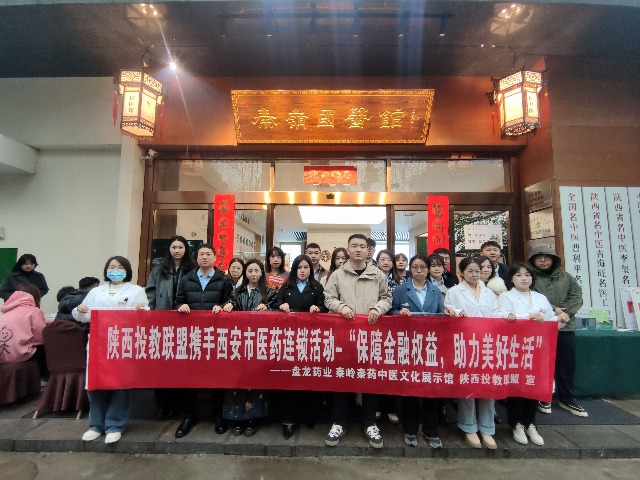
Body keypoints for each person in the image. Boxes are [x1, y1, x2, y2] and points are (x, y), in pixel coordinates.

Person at [323, 233, 392, 449]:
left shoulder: (377, 274)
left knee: (369, 379)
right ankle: (339, 422)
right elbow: (328, 298)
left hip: (370, 337)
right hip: (343, 336)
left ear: (368, 250)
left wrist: (378, 309)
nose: (359, 249)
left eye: (362, 246)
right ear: (348, 249)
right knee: (342, 378)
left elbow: (387, 298)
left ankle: (369, 423)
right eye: (354, 246)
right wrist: (341, 306)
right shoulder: (337, 275)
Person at [72, 256, 148, 444]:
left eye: (120, 267)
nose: (116, 270)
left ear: (127, 270)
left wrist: (141, 309)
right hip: (99, 342)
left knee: (120, 384)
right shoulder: (96, 291)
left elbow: (145, 315)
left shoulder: (136, 290)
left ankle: (115, 425)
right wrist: (81, 311)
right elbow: (81, 315)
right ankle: (96, 425)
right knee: (95, 383)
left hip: (123, 342)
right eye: (112, 267)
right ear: (106, 270)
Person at [391, 255, 456, 449]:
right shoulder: (401, 290)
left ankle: (430, 429)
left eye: (422, 267)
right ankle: (410, 429)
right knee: (410, 389)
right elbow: (391, 312)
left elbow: (440, 312)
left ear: (428, 270)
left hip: (430, 346)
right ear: (410, 269)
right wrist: (399, 313)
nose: (419, 271)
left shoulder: (435, 291)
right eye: (415, 267)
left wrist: (447, 313)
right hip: (408, 345)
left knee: (430, 389)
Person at [174, 243, 234, 438]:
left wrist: (224, 306)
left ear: (215, 257)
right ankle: (188, 416)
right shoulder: (187, 278)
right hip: (192, 335)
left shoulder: (223, 279)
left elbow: (231, 300)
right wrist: (181, 306)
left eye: (208, 254)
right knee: (189, 377)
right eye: (201, 254)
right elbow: (178, 300)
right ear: (196, 257)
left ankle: (218, 416)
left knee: (217, 376)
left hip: (216, 335)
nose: (205, 257)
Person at [445, 257, 502, 450]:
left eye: (477, 271)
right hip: (465, 344)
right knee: (468, 385)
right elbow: (448, 310)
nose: (474, 274)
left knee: (487, 385)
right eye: (470, 271)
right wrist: (456, 312)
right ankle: (468, 426)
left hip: (487, 344)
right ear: (461, 273)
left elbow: (496, 315)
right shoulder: (454, 291)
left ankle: (487, 428)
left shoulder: (489, 293)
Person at [498, 262, 557, 446]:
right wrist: (528, 316)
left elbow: (550, 320)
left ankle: (530, 423)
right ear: (511, 278)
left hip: (538, 347)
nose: (524, 278)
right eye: (519, 275)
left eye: (527, 275)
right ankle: (516, 423)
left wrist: (560, 319)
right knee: (517, 385)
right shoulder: (506, 297)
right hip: (516, 348)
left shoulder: (540, 297)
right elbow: (501, 318)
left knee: (533, 384)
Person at [529, 246, 587, 417]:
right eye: (539, 258)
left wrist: (565, 312)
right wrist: (554, 310)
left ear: (554, 259)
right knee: (542, 363)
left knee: (566, 363)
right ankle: (543, 395)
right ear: (533, 260)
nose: (543, 260)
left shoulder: (566, 277)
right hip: (541, 326)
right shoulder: (530, 277)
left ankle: (567, 397)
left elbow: (577, 296)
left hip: (565, 326)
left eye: (547, 257)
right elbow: (530, 297)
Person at [221, 258, 276, 437]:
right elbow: (227, 306)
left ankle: (253, 418)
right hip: (239, 343)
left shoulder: (270, 292)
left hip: (260, 343)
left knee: (256, 381)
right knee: (237, 380)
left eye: (256, 271)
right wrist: (227, 306)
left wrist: (268, 309)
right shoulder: (237, 292)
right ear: (245, 273)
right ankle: (237, 417)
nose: (253, 274)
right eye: (250, 271)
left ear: (261, 273)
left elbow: (277, 313)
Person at [275, 254, 326, 439]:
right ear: (294, 269)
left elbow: (324, 306)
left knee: (309, 378)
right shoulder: (286, 286)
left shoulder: (317, 286)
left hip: (311, 340)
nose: (303, 271)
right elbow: (276, 304)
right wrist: (282, 306)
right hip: (290, 340)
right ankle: (288, 420)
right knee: (290, 380)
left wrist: (318, 309)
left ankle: (309, 416)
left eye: (306, 267)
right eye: (299, 267)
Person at [145, 235, 196, 421]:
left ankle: (177, 405)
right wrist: (150, 314)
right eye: (174, 247)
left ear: (185, 250)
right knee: (162, 364)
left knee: (182, 365)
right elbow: (150, 294)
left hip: (185, 322)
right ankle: (161, 405)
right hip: (162, 322)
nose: (177, 251)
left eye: (180, 247)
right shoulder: (159, 270)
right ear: (169, 249)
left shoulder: (192, 269)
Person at [374, 248, 403, 425]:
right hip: (375, 328)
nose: (386, 262)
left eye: (389, 260)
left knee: (391, 369)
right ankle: (377, 406)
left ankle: (391, 407)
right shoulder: (372, 278)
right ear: (377, 261)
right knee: (376, 369)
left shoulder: (401, 281)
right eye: (382, 259)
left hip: (395, 330)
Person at [0, 285, 52, 366]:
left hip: (3, 357)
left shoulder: (5, 314)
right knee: (49, 347)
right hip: (20, 355)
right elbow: (41, 337)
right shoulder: (33, 311)